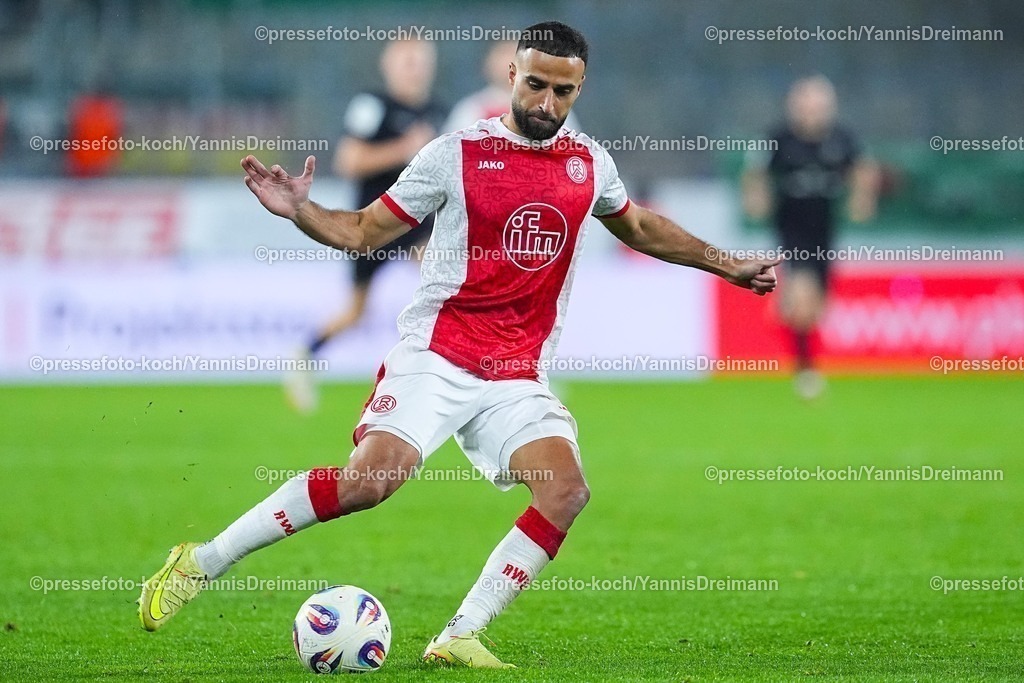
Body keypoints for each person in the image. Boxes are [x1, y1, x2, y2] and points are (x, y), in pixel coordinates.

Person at [139, 21, 779, 669]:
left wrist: (725, 263)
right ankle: (202, 559)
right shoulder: (456, 153)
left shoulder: (590, 164)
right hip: (438, 354)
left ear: (579, 88)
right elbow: (364, 230)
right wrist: (302, 211)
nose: (546, 104)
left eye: (563, 92)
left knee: (565, 490)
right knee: (370, 483)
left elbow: (639, 225)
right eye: (535, 85)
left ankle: (459, 631)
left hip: (517, 375)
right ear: (511, 77)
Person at [285, 38, 446, 413]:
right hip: (372, 223)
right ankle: (305, 354)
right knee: (357, 311)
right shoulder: (372, 106)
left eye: (421, 61)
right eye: (407, 61)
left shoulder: (438, 111)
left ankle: (477, 370)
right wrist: (404, 148)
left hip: (417, 223)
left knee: (447, 283)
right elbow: (349, 160)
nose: (415, 68)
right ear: (388, 66)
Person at [742, 76, 878, 398]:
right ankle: (806, 371)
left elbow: (864, 168)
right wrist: (757, 199)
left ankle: (787, 317)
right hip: (791, 228)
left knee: (816, 306)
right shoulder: (778, 139)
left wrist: (862, 198)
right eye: (806, 106)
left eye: (819, 107)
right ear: (794, 107)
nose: (812, 113)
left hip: (825, 229)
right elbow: (754, 170)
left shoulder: (842, 139)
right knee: (802, 293)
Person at [444, 39, 581, 133]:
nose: (508, 61)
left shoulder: (551, 105)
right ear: (487, 63)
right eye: (502, 54)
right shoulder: (471, 109)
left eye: (514, 53)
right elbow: (452, 156)